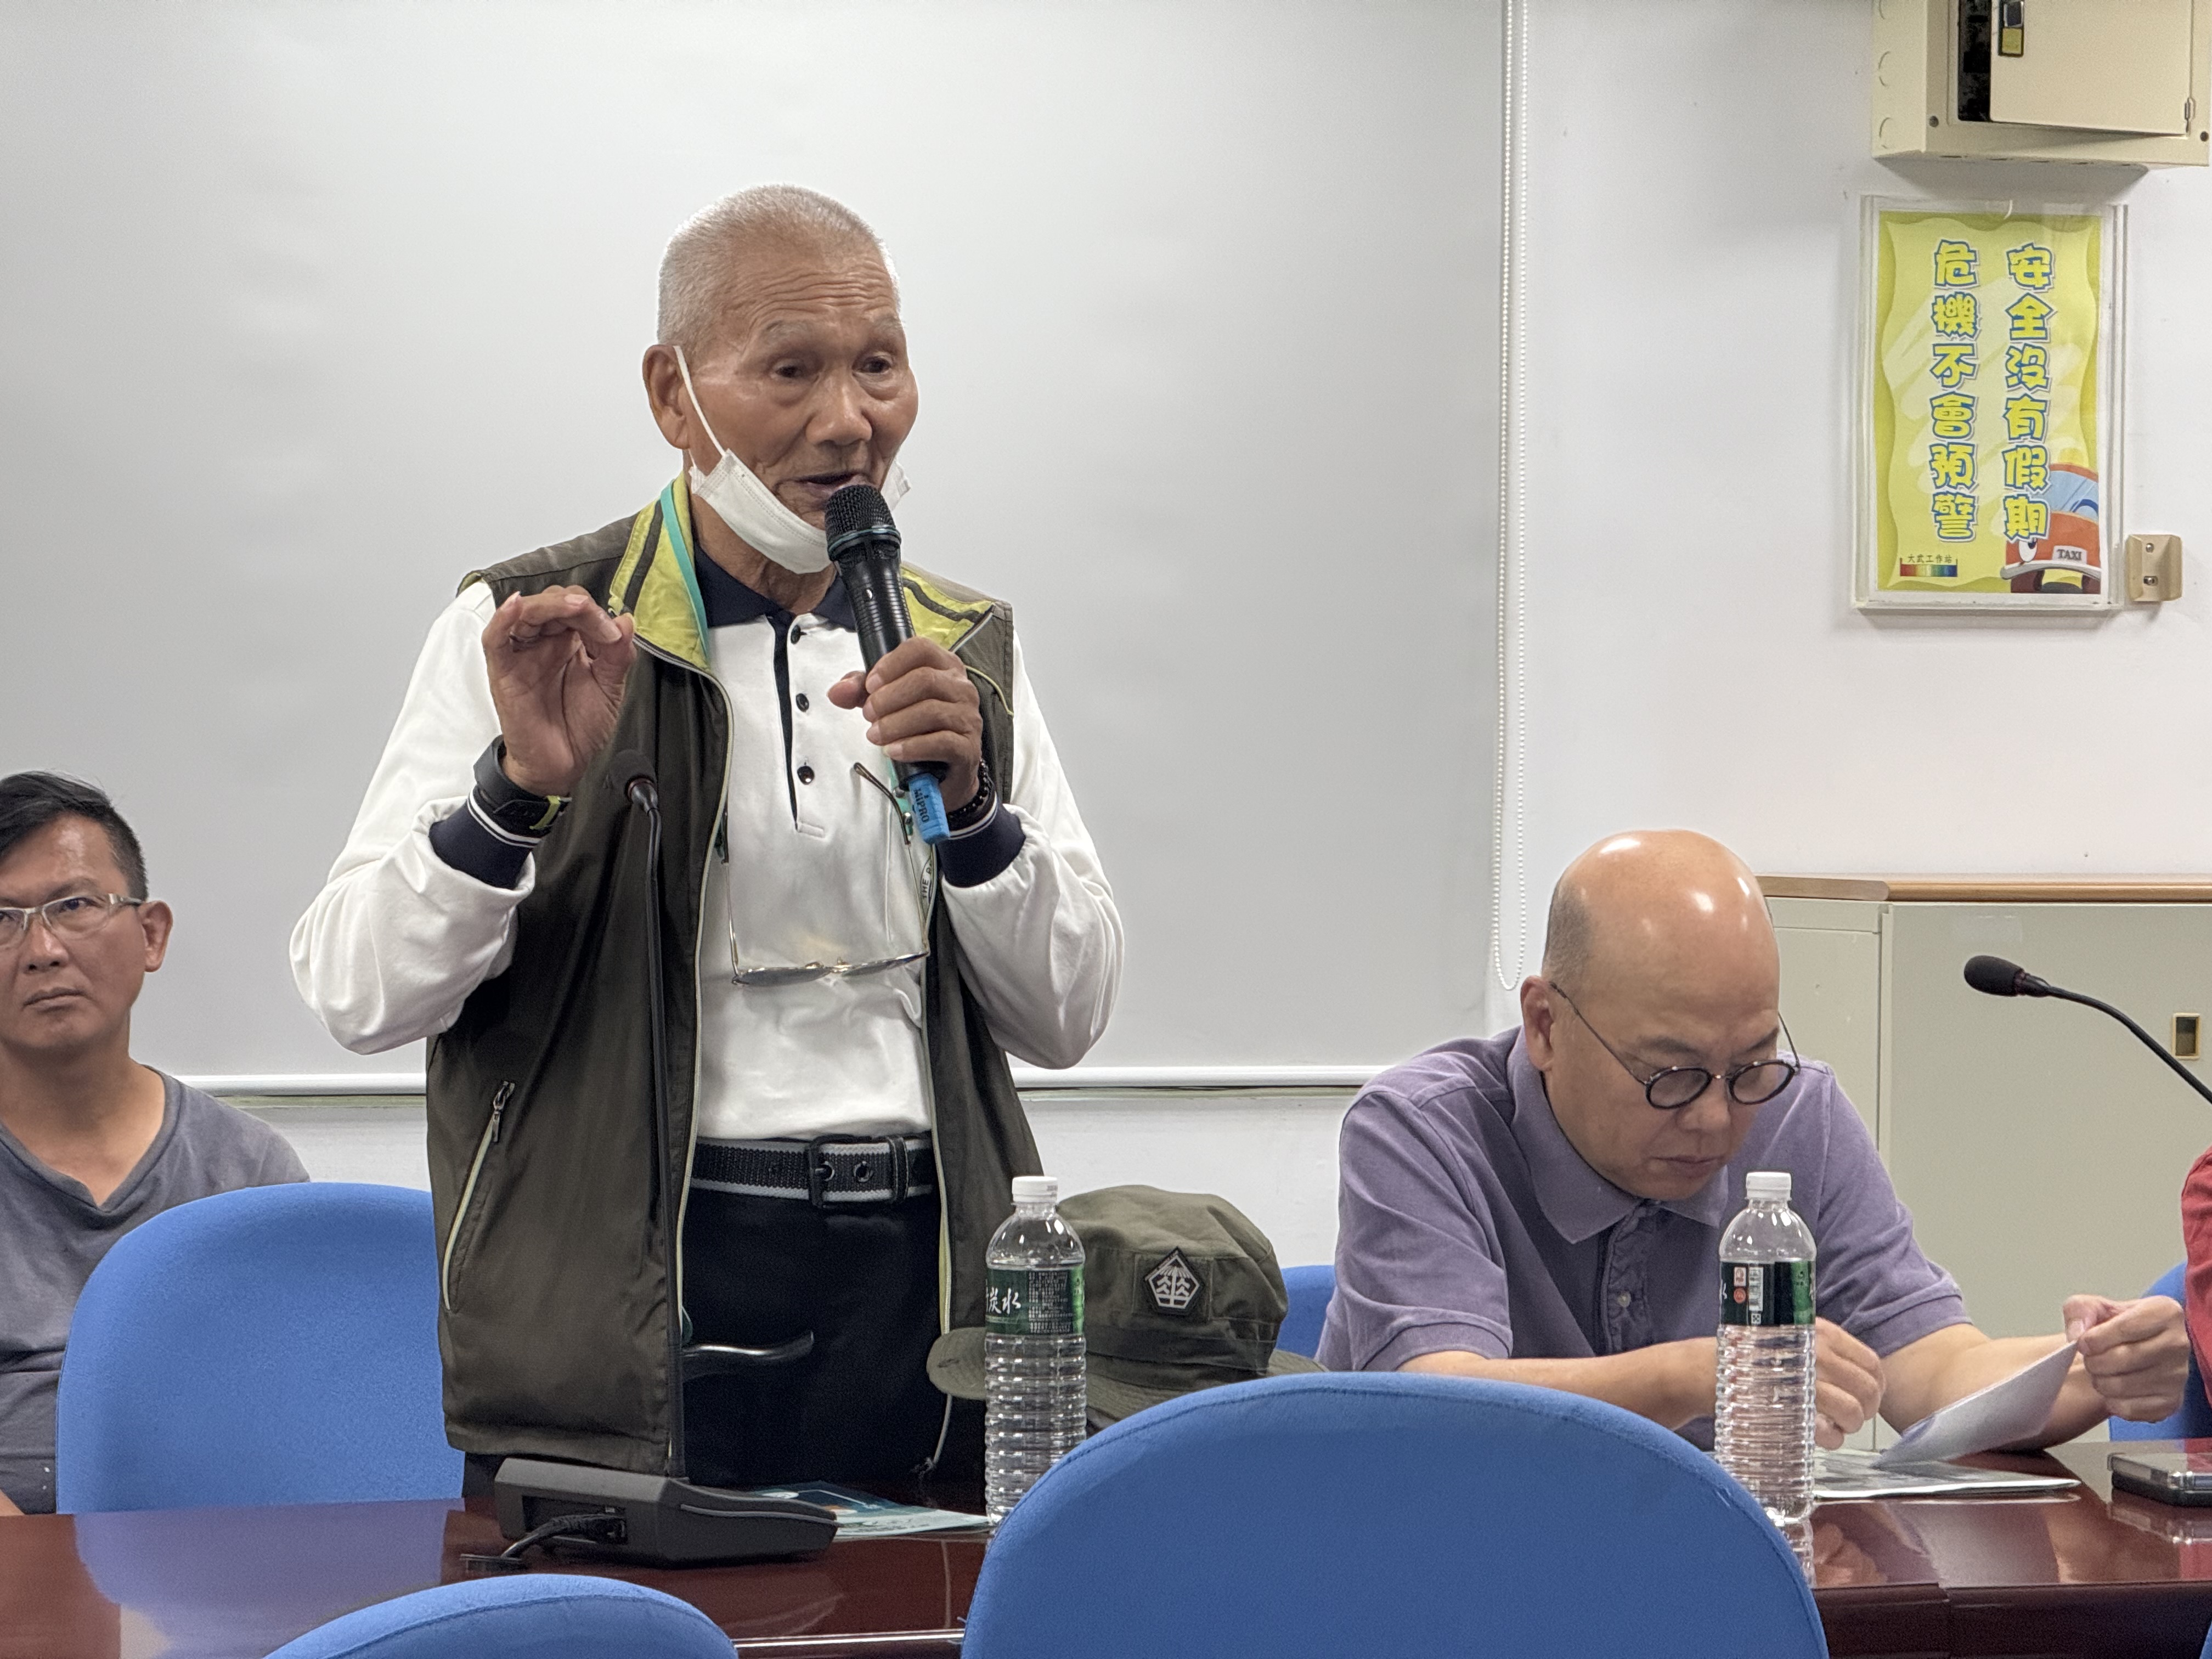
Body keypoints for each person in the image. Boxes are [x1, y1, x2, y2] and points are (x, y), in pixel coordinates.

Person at [292, 185, 1121, 1491]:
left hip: (925, 1276)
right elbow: (359, 991)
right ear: (671, 396)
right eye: (791, 370)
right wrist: (516, 792)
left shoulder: (957, 646)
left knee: (924, 1601)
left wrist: (973, 817)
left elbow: (1067, 1017)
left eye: (880, 366)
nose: (848, 421)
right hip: (636, 1280)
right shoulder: (534, 626)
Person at [1320, 830, 2187, 1448]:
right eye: (1670, 1075)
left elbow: (1930, 1368)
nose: (1715, 1118)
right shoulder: (1423, 1130)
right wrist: (1696, 1375)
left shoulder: (1797, 1115)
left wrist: (2088, 1368)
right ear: (1546, 1024)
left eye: (1749, 1065)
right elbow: (1439, 1402)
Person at [0, 773, 307, 1514]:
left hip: (204, 1545)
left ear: (151, 934)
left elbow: (295, 1407)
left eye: (74, 905)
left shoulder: (249, 1169)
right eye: (2, 919)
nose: (42, 950)